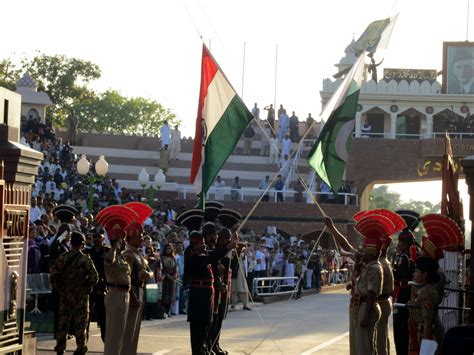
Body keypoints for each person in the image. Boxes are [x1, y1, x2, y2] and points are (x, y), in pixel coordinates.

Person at [50, 232, 99, 355]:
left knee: (63, 322)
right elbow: (95, 278)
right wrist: (86, 286)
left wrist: (61, 288)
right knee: (81, 323)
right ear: (82, 244)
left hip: (65, 295)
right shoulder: (85, 259)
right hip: (81, 296)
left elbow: (53, 275)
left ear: (71, 243)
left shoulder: (63, 257)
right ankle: (80, 347)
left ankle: (60, 347)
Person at [121, 221, 154, 355]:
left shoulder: (138, 254)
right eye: (139, 236)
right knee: (128, 330)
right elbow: (126, 277)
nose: (141, 239)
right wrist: (133, 296)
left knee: (135, 330)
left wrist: (147, 274)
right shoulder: (128, 254)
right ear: (132, 237)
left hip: (140, 290)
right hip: (132, 291)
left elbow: (150, 271)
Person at [393, 210, 420, 355]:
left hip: (403, 293)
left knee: (401, 326)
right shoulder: (406, 255)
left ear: (406, 242)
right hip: (403, 292)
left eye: (401, 242)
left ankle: (402, 351)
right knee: (401, 326)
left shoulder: (405, 257)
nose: (399, 244)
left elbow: (399, 274)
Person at [407, 257, 445, 354]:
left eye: (416, 271)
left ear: (424, 275)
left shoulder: (426, 294)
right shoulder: (427, 288)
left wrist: (426, 350)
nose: (413, 274)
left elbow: (428, 324)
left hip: (430, 336)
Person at [84, 231, 110, 342]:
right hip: (90, 286)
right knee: (86, 314)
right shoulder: (87, 252)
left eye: (98, 237)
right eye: (94, 237)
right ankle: (84, 338)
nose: (96, 239)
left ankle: (105, 338)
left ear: (103, 238)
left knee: (103, 315)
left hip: (102, 287)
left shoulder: (107, 251)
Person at [161, 243, 178, 316]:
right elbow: (162, 269)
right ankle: (164, 310)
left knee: (171, 294)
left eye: (170, 249)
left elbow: (176, 269)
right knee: (165, 294)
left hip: (172, 278)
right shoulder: (162, 257)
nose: (168, 250)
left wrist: (174, 276)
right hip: (165, 278)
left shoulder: (173, 258)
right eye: (167, 248)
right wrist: (168, 276)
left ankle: (168, 310)